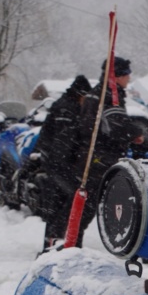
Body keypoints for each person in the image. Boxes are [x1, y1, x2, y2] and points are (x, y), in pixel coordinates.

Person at [71, 56, 145, 247]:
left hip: (91, 154)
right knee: (106, 201)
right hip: (101, 157)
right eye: (127, 74)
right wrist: (137, 134)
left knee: (88, 201)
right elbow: (117, 126)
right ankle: (120, 242)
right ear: (118, 75)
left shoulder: (98, 93)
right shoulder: (110, 95)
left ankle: (71, 240)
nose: (129, 78)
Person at [30, 74, 92, 253]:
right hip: (61, 166)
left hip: (53, 164)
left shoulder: (60, 105)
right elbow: (65, 141)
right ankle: (63, 246)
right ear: (81, 94)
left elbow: (45, 135)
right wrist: (72, 163)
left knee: (55, 207)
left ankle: (50, 246)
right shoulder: (69, 109)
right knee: (71, 203)